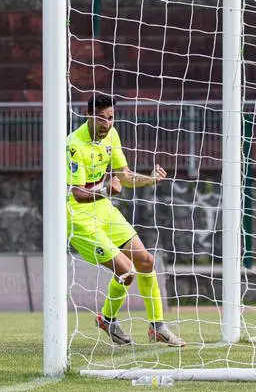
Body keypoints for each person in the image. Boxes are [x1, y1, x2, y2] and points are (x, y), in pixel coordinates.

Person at [67, 94, 185, 347]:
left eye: (110, 118)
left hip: (102, 208)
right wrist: (106, 190)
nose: (106, 124)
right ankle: (107, 319)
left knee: (146, 260)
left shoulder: (111, 135)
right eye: (101, 118)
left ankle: (158, 327)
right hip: (79, 216)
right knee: (126, 271)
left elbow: (125, 176)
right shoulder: (74, 145)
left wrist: (150, 179)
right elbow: (77, 194)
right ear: (88, 115)